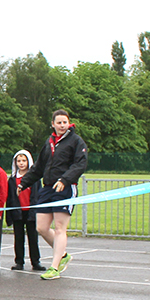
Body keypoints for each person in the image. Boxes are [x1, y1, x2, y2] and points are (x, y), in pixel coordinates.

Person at [29, 110, 88, 279]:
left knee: (60, 228)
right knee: (41, 227)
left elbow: (80, 164)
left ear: (69, 123)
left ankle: (54, 268)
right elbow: (39, 167)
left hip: (65, 188)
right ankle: (63, 255)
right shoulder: (49, 142)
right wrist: (25, 183)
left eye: (65, 122)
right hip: (47, 188)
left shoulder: (76, 141)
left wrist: (64, 180)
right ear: (53, 124)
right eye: (59, 122)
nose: (62, 125)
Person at [6, 149, 40, 271]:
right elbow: (10, 197)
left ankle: (35, 262)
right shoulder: (12, 179)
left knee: (33, 238)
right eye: (19, 161)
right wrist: (9, 214)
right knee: (18, 238)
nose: (21, 163)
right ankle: (19, 261)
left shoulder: (34, 179)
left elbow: (38, 195)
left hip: (31, 212)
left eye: (24, 160)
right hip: (18, 212)